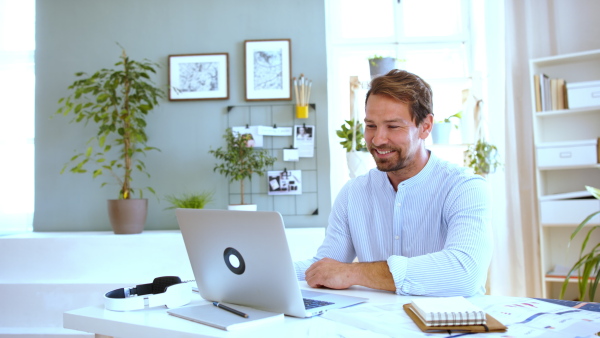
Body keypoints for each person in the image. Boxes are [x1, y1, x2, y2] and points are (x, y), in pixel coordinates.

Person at [294, 70, 492, 297]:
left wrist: (354, 273)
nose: (378, 139)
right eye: (371, 126)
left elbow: (464, 273)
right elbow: (325, 267)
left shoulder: (465, 188)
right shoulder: (353, 193)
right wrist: (258, 273)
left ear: (426, 126)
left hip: (447, 328)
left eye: (393, 126)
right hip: (377, 327)